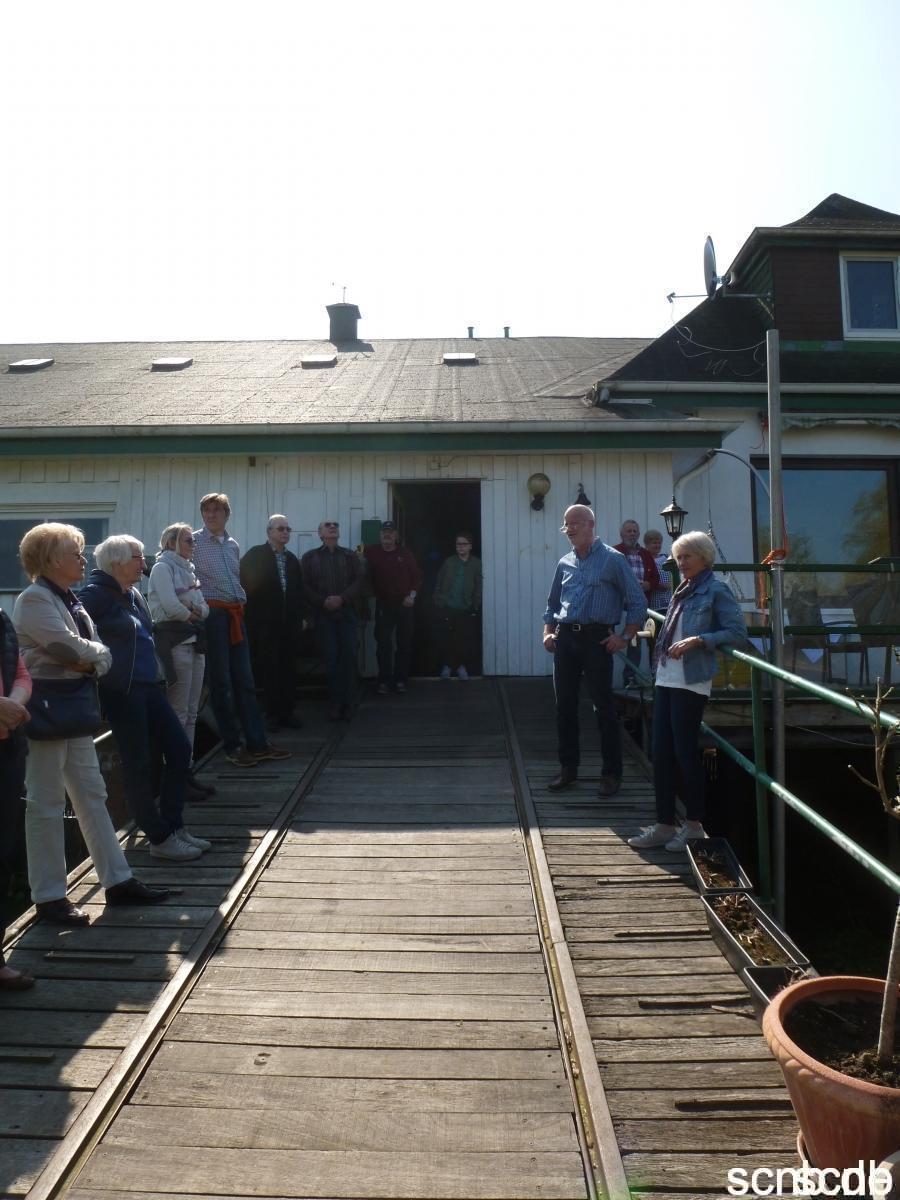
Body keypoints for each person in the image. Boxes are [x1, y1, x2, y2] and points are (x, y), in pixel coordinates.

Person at [13, 523, 169, 924]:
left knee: (93, 794)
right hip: (47, 711)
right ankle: (50, 897)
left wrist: (90, 658)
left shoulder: (70, 600)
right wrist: (90, 658)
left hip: (73, 708)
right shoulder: (34, 599)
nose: (84, 560)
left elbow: (95, 652)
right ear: (52, 559)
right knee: (46, 802)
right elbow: (68, 648)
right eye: (76, 553)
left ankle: (117, 881)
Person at [80, 534, 209, 861]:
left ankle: (173, 825)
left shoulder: (134, 594)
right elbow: (76, 632)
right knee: (137, 763)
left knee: (179, 749)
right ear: (116, 562)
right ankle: (159, 837)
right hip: (122, 690)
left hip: (149, 685)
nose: (144, 563)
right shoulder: (95, 595)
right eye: (137, 557)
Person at [628, 530, 745, 852]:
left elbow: (737, 632)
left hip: (691, 681)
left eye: (687, 557)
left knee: (684, 752)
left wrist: (699, 640)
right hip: (666, 677)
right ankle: (664, 825)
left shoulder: (716, 589)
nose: (681, 563)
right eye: (678, 557)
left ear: (704, 558)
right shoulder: (682, 589)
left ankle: (694, 826)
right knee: (661, 753)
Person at [542, 504, 646, 797]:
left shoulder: (613, 560)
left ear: (591, 524)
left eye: (575, 523)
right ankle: (568, 769)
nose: (569, 529)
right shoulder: (564, 562)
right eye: (566, 525)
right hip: (565, 639)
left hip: (597, 639)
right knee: (564, 706)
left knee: (603, 707)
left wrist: (625, 637)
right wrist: (548, 632)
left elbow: (637, 601)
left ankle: (611, 773)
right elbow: (552, 604)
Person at [192, 493, 290, 766]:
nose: (211, 515)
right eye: (207, 510)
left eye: (217, 510)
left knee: (245, 683)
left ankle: (257, 743)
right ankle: (233, 746)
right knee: (221, 684)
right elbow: (171, 565)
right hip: (213, 615)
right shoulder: (193, 542)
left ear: (227, 514)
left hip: (236, 615)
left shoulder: (232, 544)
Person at [148, 523, 214, 799]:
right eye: (188, 540)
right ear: (171, 542)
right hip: (176, 643)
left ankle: (186, 769)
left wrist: (192, 609)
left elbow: (205, 608)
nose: (193, 545)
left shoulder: (189, 570)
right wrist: (192, 612)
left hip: (194, 642)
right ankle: (174, 775)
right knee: (178, 712)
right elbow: (170, 606)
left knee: (191, 712)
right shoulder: (162, 568)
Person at [240, 514, 306, 731]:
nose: (285, 532)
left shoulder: (292, 560)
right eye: (280, 529)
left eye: (288, 529)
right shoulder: (255, 555)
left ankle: (287, 712)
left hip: (290, 624)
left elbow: (299, 591)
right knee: (269, 668)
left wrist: (301, 617)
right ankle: (271, 713)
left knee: (289, 667)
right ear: (269, 532)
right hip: (265, 624)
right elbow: (244, 585)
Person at [0, 608, 33, 988]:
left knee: (2, 852)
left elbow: (21, 673)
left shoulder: (2, 619)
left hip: (6, 747)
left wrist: (12, 705)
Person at [301, 520, 361, 720]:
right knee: (331, 659)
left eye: (335, 524)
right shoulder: (310, 558)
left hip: (347, 614)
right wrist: (323, 601)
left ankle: (349, 703)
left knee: (349, 657)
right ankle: (335, 704)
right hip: (323, 616)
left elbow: (359, 581)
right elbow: (304, 585)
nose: (333, 526)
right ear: (320, 533)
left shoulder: (350, 556)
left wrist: (342, 599)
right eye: (327, 525)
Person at [364, 521, 423, 694]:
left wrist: (412, 596)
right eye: (384, 532)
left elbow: (417, 576)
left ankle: (400, 680)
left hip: (404, 604)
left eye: (390, 532)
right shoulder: (370, 552)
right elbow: (359, 570)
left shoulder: (405, 553)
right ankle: (384, 680)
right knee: (383, 643)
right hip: (384, 603)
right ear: (380, 535)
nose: (387, 534)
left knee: (404, 643)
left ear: (396, 535)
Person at [614, 519, 660, 686]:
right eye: (629, 531)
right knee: (612, 640)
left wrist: (648, 584)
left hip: (638, 606)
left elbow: (655, 578)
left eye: (635, 531)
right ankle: (609, 678)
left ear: (639, 534)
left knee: (635, 642)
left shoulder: (646, 554)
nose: (632, 534)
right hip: (618, 606)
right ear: (622, 534)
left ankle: (631, 678)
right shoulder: (614, 552)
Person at [433, 532, 482, 680]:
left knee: (462, 639)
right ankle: (448, 666)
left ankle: (460, 666)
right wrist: (438, 600)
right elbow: (439, 581)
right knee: (446, 638)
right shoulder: (449, 562)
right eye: (458, 544)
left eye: (464, 544)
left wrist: (476, 604)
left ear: (470, 546)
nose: (460, 547)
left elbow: (478, 585)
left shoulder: (476, 563)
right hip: (447, 606)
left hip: (465, 607)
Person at [644, 528, 672, 616]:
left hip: (669, 602)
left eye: (659, 543)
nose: (657, 545)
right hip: (654, 604)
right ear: (647, 544)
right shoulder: (645, 561)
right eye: (654, 543)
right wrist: (659, 585)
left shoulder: (667, 559)